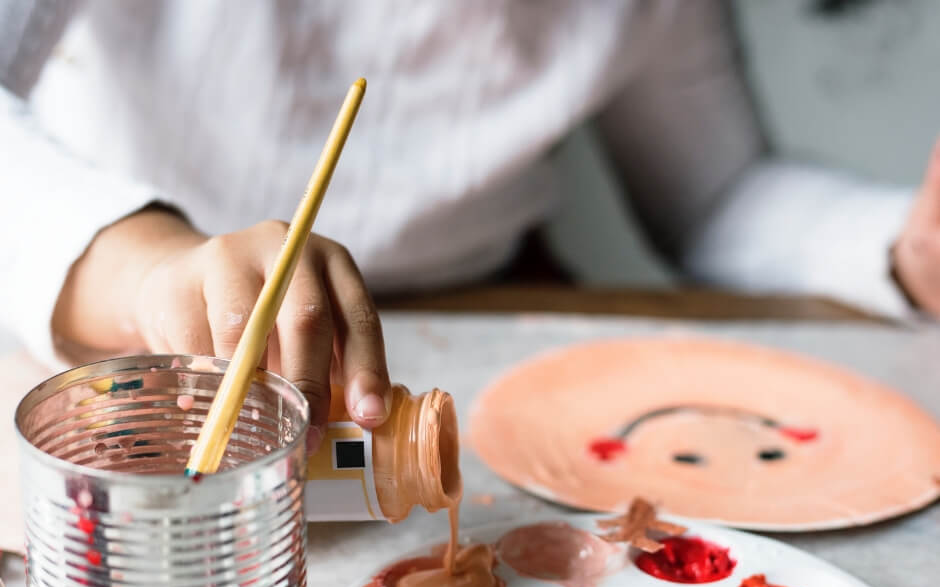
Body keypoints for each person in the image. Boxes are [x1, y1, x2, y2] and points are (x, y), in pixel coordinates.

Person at [1, 0, 938, 450]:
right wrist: (149, 264)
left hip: (496, 320)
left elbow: (719, 196)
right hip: (120, 321)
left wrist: (905, 252)